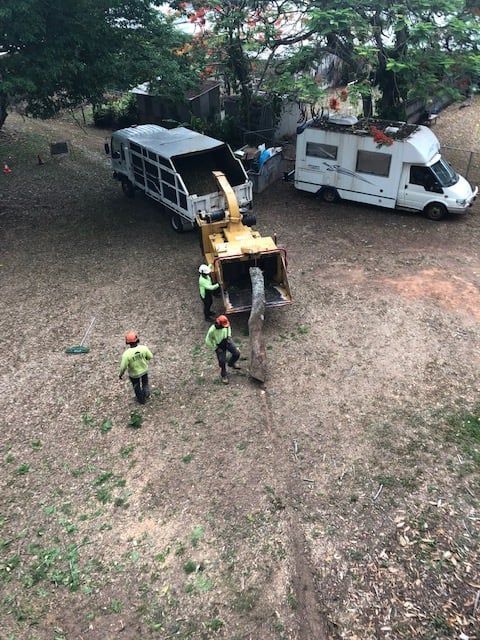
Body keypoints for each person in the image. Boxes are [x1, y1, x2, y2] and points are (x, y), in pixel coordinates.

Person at [119, 331, 153, 404]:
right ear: (137, 340)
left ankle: (141, 400)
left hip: (134, 374)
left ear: (128, 342)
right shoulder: (144, 348)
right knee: (145, 383)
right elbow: (150, 356)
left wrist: (121, 374)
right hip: (144, 370)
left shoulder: (126, 354)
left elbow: (123, 367)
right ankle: (146, 393)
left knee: (136, 387)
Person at [205, 315, 240, 384]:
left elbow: (228, 327)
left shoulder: (225, 325)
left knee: (237, 354)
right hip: (219, 346)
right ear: (218, 324)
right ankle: (224, 375)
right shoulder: (212, 330)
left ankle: (231, 363)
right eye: (223, 326)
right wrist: (215, 348)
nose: (225, 327)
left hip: (227, 341)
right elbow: (207, 340)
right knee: (222, 361)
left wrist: (229, 336)